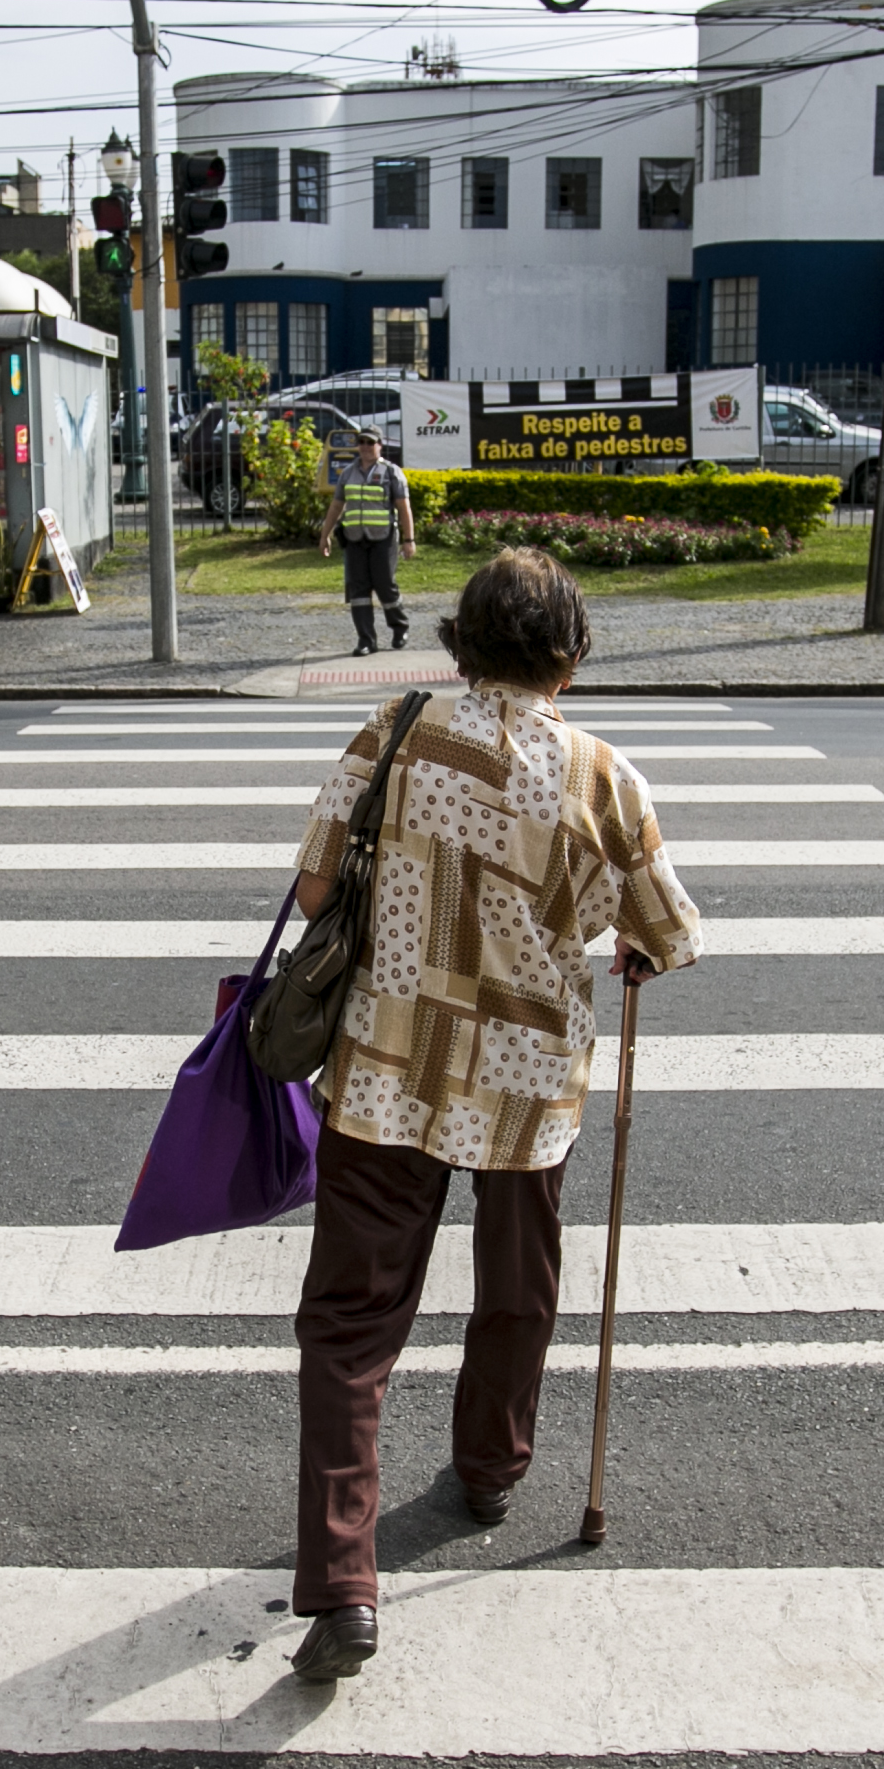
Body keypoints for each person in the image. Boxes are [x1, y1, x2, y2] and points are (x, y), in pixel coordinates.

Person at [276, 547, 705, 1686]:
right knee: (518, 1289)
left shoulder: (395, 730)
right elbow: (668, 933)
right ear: (571, 655)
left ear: (459, 644)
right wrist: (612, 938)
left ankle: (343, 1584)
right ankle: (491, 1468)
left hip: (387, 1068)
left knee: (352, 1328)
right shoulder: (602, 774)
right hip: (525, 1084)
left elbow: (316, 890)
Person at [316, 427, 415, 655]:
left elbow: (403, 507)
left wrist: (409, 540)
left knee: (384, 585)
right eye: (361, 442)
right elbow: (336, 506)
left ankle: (400, 627)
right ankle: (366, 640)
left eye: (370, 442)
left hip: (383, 539)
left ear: (379, 445)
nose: (365, 447)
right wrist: (325, 536)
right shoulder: (348, 473)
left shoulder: (392, 472)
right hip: (354, 539)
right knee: (358, 590)